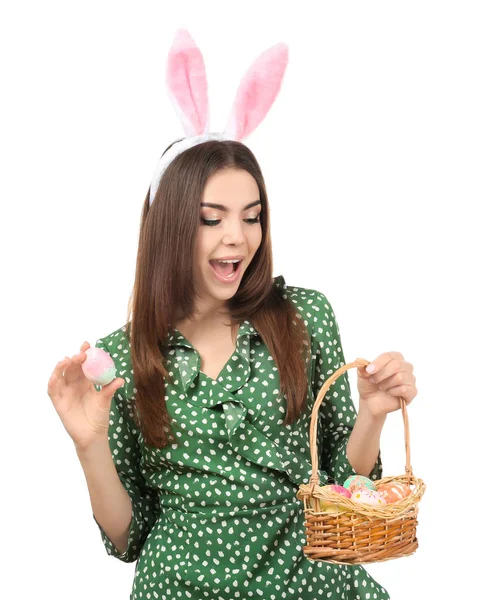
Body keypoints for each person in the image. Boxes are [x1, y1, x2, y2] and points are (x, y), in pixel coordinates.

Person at [47, 30, 417, 600]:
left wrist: (371, 413)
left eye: (252, 216)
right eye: (211, 218)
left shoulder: (302, 317)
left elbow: (346, 487)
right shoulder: (119, 358)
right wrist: (89, 444)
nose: (238, 239)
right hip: (181, 587)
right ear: (171, 225)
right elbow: (128, 537)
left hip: (308, 583)